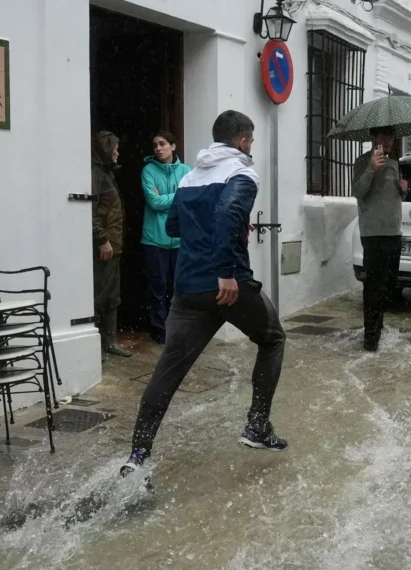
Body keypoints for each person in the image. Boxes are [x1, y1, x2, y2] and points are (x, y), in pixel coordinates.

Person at [120, 110, 287, 478]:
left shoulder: (190, 177)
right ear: (243, 140)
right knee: (273, 339)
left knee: (168, 369)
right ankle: (257, 426)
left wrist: (215, 231)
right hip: (230, 286)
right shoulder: (242, 173)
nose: (252, 146)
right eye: (251, 140)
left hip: (189, 289)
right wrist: (225, 270)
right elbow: (227, 213)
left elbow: (174, 225)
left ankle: (137, 455)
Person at [352, 127, 407, 352]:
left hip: (394, 231)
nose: (389, 141)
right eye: (384, 137)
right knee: (374, 286)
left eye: (391, 137)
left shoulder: (395, 163)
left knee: (389, 285)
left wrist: (404, 190)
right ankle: (371, 338)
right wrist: (371, 169)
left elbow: (396, 196)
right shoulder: (362, 162)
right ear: (373, 138)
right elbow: (358, 192)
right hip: (373, 233)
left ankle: (379, 328)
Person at [141, 131, 191, 345]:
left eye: (162, 144)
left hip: (180, 239)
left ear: (173, 146)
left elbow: (190, 200)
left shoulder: (186, 171)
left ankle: (176, 328)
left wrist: (166, 198)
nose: (158, 148)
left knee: (178, 287)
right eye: (155, 145)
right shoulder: (148, 170)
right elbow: (153, 202)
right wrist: (179, 196)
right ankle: (159, 329)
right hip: (155, 238)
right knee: (158, 286)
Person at [91, 131, 132, 358]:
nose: (117, 152)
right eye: (115, 148)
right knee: (100, 295)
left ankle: (109, 342)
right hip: (105, 246)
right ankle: (96, 345)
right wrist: (102, 240)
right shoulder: (95, 174)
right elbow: (90, 211)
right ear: (106, 149)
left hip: (113, 245)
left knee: (111, 295)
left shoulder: (106, 173)